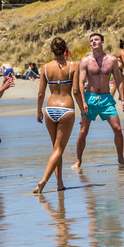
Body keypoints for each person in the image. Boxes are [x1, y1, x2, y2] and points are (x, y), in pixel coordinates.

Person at [71, 33, 124, 169]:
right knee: (83, 131)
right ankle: (78, 160)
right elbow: (81, 82)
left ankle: (121, 157)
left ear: (102, 42)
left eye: (96, 40)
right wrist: (83, 102)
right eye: (91, 40)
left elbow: (118, 80)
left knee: (118, 129)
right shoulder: (85, 61)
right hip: (89, 98)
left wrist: (123, 99)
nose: (93, 42)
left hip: (106, 99)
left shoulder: (112, 60)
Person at [34, 38, 81, 194]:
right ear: (66, 48)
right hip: (66, 109)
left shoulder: (45, 68)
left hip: (50, 108)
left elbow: (41, 93)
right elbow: (76, 91)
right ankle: (43, 181)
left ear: (51, 51)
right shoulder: (74, 66)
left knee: (56, 148)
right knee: (59, 149)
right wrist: (83, 109)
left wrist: (39, 110)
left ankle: (60, 183)